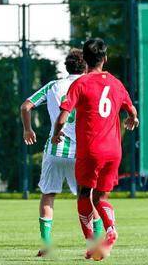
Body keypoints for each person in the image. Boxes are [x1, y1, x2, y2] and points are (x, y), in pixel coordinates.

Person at [53, 38, 139, 260]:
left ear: (84, 60)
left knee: (84, 194)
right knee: (101, 197)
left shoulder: (80, 84)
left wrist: (55, 134)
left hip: (90, 150)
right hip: (114, 151)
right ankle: (110, 229)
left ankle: (91, 242)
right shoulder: (116, 83)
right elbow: (132, 111)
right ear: (106, 58)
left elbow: (63, 117)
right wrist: (132, 119)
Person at [20, 49, 103, 257]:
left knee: (48, 194)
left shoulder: (53, 86)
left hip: (55, 150)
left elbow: (25, 106)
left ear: (66, 67)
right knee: (88, 198)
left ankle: (46, 243)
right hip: (82, 153)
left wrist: (28, 129)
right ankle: (96, 241)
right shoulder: (91, 84)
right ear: (86, 66)